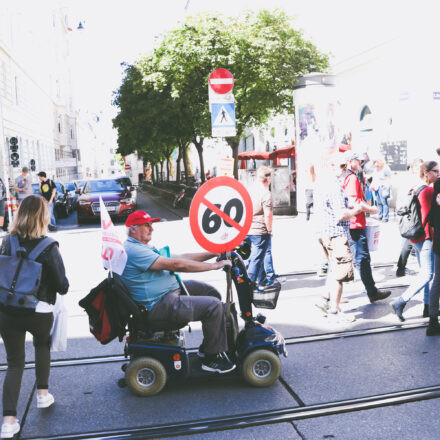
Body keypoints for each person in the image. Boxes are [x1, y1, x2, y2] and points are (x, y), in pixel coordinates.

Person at [120, 210, 236, 374]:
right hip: (159, 305)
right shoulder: (134, 250)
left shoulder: (142, 247)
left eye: (151, 225)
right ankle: (212, 358)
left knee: (211, 293)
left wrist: (215, 252)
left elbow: (181, 257)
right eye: (146, 225)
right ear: (133, 229)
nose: (151, 229)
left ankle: (209, 346)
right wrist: (213, 266)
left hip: (169, 292)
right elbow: (176, 265)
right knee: (214, 306)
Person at [0, 195, 69, 438]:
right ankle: (42, 395)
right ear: (43, 216)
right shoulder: (49, 246)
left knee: (14, 363)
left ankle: (8, 422)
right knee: (42, 346)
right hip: (38, 312)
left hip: (7, 310)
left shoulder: (7, 242)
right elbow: (62, 286)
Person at [315, 153, 372, 322]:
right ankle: (334, 310)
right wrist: (358, 210)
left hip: (324, 232)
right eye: (341, 166)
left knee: (333, 269)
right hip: (336, 233)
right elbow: (341, 215)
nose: (343, 169)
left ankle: (326, 301)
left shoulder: (321, 183)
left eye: (344, 166)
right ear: (332, 166)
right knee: (339, 274)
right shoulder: (334, 186)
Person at [391, 161, 437, 321]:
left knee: (425, 272)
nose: (438, 174)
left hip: (415, 237)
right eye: (436, 171)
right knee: (427, 274)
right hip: (425, 238)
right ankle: (400, 301)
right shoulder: (428, 191)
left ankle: (427, 307)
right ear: (426, 173)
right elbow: (427, 218)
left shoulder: (416, 188)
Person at [342, 152, 391, 303]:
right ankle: (372, 292)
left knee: (359, 259)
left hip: (355, 223)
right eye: (358, 160)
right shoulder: (351, 178)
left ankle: (332, 294)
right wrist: (372, 210)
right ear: (351, 161)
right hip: (355, 224)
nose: (361, 163)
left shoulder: (352, 176)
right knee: (362, 259)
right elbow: (353, 202)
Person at [246, 166, 279, 292]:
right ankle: (250, 285)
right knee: (256, 259)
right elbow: (268, 215)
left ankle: (259, 281)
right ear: (268, 178)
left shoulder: (249, 190)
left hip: (247, 229)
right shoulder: (266, 193)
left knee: (251, 258)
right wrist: (269, 230)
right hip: (259, 230)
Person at [395, 159, 423, 277]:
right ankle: (402, 268)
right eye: (419, 167)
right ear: (413, 168)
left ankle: (401, 268)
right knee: (409, 242)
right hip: (410, 216)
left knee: (408, 242)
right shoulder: (413, 180)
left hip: (409, 215)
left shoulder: (410, 179)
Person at [370, 156, 392, 222]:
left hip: (383, 186)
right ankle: (380, 216)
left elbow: (389, 177)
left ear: (382, 161)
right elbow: (373, 176)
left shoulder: (385, 168)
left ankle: (386, 217)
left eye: (378, 161)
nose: (376, 163)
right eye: (376, 161)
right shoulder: (376, 168)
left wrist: (381, 177)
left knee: (384, 202)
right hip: (376, 186)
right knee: (379, 202)